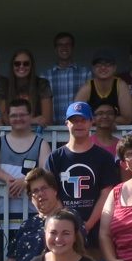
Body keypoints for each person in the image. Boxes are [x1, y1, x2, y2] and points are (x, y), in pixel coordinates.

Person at [46, 102, 119, 241]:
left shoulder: (104, 157)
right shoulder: (55, 158)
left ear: (91, 122)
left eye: (83, 120)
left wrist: (87, 225)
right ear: (67, 123)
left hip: (97, 228)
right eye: (74, 120)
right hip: (63, 230)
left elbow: (107, 193)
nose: (79, 124)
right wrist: (68, 225)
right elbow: (51, 193)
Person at [0, 98, 51, 196]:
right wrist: (8, 179)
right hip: (2, 203)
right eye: (14, 116)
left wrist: (25, 181)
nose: (18, 119)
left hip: (31, 204)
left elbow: (44, 171)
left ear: (31, 116)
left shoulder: (42, 144)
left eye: (22, 115)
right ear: (8, 118)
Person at [73, 49, 132, 123]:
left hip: (116, 130)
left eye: (107, 65)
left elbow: (128, 118)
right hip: (92, 130)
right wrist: (105, 120)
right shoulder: (87, 88)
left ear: (114, 68)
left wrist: (99, 120)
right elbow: (76, 116)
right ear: (93, 68)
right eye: (99, 65)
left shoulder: (121, 85)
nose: (103, 68)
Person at [42, 31, 90, 121]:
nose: (64, 47)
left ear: (73, 47)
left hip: (78, 125)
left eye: (68, 44)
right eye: (60, 45)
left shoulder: (85, 73)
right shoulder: (45, 77)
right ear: (55, 49)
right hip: (53, 128)